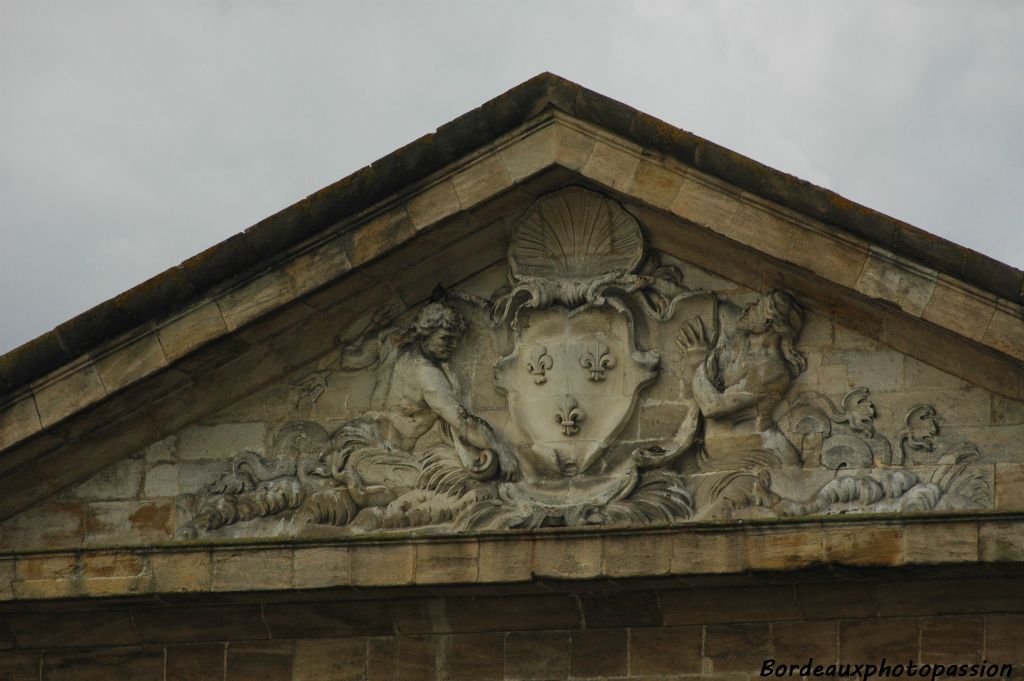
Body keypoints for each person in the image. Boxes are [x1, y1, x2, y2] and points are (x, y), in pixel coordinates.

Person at [676, 290, 806, 519]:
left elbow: (712, 407)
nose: (747, 308)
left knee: (710, 522)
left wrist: (698, 360)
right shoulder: (743, 350)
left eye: (756, 306)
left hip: (754, 465)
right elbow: (724, 309)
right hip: (714, 463)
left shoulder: (770, 368)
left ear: (768, 320)